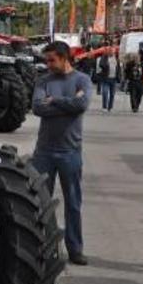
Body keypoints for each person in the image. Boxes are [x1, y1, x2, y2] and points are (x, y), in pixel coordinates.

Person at [32, 41, 92, 266]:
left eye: (52, 60)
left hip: (70, 152)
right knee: (39, 202)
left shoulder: (82, 80)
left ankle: (75, 248)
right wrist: (69, 103)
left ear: (65, 58)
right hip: (44, 152)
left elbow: (82, 105)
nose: (48, 64)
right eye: (46, 60)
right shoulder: (43, 81)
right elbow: (38, 107)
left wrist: (55, 101)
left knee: (73, 202)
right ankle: (41, 247)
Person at [97, 46, 121, 112]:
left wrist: (119, 76)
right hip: (105, 78)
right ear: (108, 51)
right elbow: (101, 64)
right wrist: (106, 64)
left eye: (113, 51)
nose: (112, 52)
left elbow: (118, 68)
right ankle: (104, 106)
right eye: (111, 51)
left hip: (113, 78)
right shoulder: (104, 57)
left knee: (112, 94)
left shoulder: (116, 58)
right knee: (105, 92)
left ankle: (110, 107)